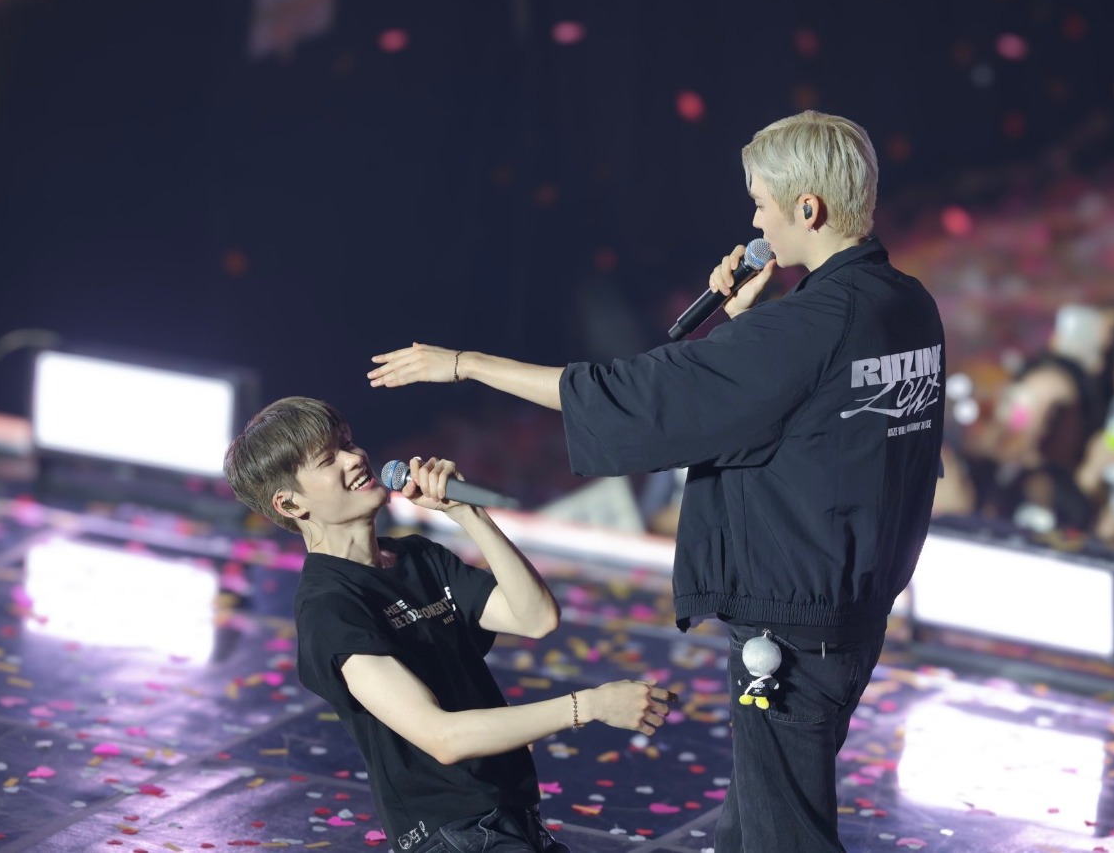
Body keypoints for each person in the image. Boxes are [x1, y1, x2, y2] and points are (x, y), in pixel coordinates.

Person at [366, 110, 945, 853]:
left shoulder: (806, 327)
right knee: (758, 822)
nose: (755, 220)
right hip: (852, 614)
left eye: (761, 203)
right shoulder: (905, 304)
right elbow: (807, 409)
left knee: (784, 835)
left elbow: (642, 396)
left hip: (793, 632)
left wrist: (467, 364)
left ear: (808, 209)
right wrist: (748, 318)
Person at [222, 396, 675, 853]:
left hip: (512, 817)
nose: (354, 458)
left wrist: (467, 514)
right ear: (290, 503)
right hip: (452, 835)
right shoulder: (330, 606)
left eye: (348, 443)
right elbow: (442, 737)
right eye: (328, 459)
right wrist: (588, 706)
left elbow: (536, 617)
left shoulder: (419, 557)